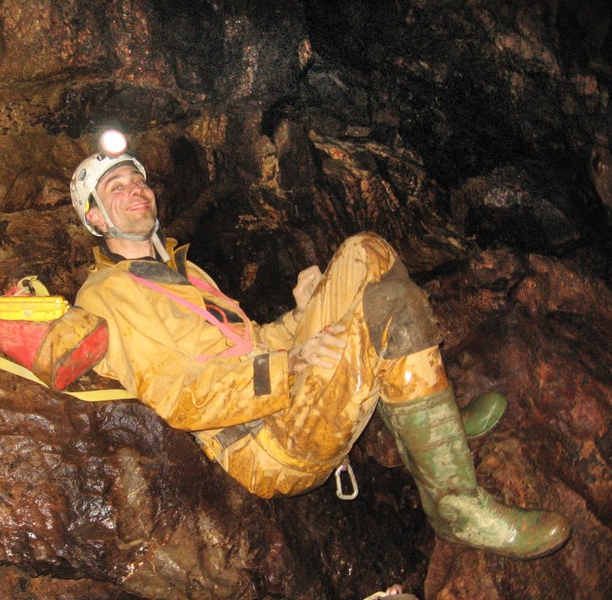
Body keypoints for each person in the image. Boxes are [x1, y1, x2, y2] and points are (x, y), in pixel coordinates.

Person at [63, 132, 572, 560]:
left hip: (281, 389)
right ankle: (455, 506)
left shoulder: (183, 270)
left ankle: (433, 435)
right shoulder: (108, 292)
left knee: (363, 252)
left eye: (139, 180)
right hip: (262, 442)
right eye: (116, 187)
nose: (137, 190)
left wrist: (300, 317)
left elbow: (251, 342)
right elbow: (178, 395)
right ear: (99, 220)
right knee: (388, 305)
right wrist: (290, 366)